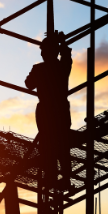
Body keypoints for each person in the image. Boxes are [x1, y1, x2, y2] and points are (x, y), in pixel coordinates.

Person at [25, 31, 72, 190]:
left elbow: (29, 84)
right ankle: (64, 179)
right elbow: (66, 57)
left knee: (49, 146)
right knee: (61, 146)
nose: (42, 53)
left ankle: (52, 177)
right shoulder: (62, 67)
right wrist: (63, 43)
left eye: (43, 50)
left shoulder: (39, 69)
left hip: (47, 110)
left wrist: (61, 44)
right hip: (59, 109)